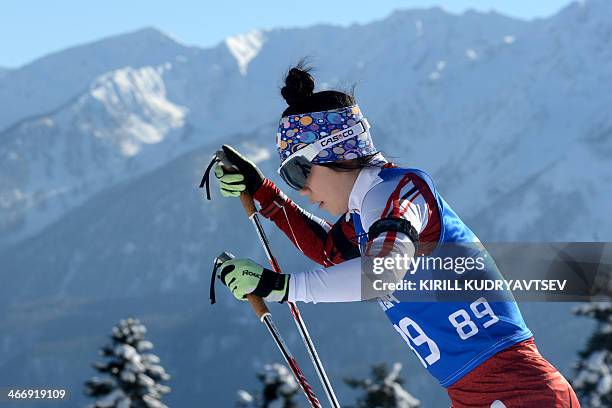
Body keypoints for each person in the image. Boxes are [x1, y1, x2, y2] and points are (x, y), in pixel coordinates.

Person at [213, 63, 580, 407]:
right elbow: (328, 251)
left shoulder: (402, 190)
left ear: (334, 153)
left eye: (299, 172)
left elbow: (380, 273)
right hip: (473, 392)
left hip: (517, 389)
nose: (300, 190)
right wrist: (262, 191)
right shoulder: (365, 214)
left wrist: (282, 286)